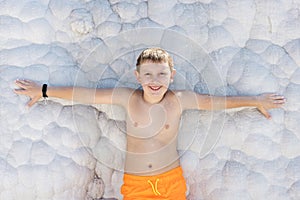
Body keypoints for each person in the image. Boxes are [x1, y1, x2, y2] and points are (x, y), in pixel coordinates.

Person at [14, 47, 285, 199]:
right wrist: (44, 90)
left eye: (162, 74)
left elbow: (216, 102)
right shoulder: (128, 99)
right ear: (138, 76)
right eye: (148, 74)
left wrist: (256, 99)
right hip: (136, 186)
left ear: (172, 75)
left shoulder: (179, 100)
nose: (155, 80)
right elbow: (85, 95)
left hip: (171, 184)